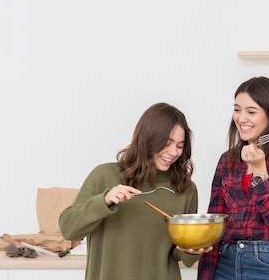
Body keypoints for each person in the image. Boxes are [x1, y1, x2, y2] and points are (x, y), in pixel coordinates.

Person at [59, 103, 208, 280]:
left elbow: (180, 255)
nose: (174, 152)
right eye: (167, 143)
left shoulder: (185, 189)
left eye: (180, 145)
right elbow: (69, 229)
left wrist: (191, 250)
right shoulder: (104, 176)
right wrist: (104, 201)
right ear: (148, 138)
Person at [197, 76, 269, 280]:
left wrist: (260, 171)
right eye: (237, 110)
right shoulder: (227, 160)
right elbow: (214, 226)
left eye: (251, 112)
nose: (241, 119)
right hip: (226, 264)